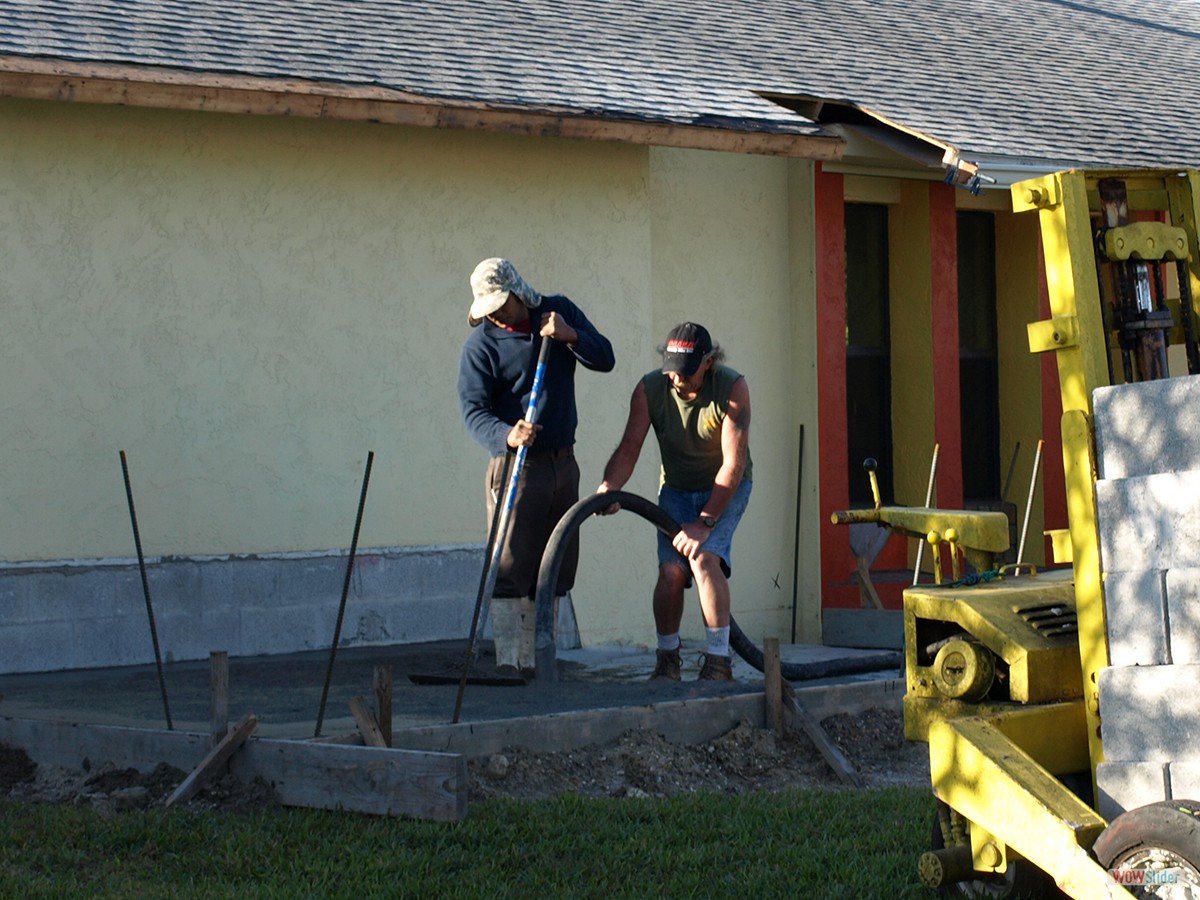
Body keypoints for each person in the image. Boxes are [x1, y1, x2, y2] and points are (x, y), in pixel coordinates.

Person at [458, 258, 615, 677]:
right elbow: (473, 411)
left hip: (564, 463)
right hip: (516, 468)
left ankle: (541, 657)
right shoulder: (482, 346)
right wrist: (507, 435)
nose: (494, 313)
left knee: (558, 563)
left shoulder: (557, 311)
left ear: (516, 292)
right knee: (512, 566)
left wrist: (570, 335)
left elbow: (605, 357)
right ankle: (512, 663)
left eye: (500, 304)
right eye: (487, 307)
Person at [597, 322, 752, 681]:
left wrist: (705, 522)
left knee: (703, 558)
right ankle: (667, 661)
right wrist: (609, 487)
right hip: (677, 491)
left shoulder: (732, 387)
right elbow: (628, 449)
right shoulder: (649, 389)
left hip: (727, 488)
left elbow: (734, 464)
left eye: (686, 372)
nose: (678, 381)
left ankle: (718, 663)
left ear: (709, 361)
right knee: (670, 573)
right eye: (672, 372)